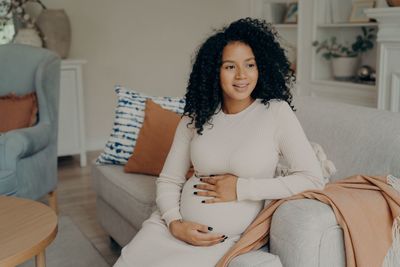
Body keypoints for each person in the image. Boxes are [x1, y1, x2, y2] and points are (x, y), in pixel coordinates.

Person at [113, 18, 325, 267]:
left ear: (262, 67)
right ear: (215, 70)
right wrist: (175, 223)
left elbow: (313, 179)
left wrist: (241, 188)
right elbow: (170, 180)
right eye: (230, 67)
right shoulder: (196, 117)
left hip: (218, 241)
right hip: (171, 228)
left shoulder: (275, 113)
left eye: (250, 64)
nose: (242, 75)